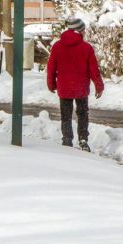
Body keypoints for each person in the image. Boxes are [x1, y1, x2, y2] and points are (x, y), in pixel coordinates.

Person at [46, 16, 104, 151]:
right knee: (83, 114)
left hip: (64, 87)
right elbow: (93, 70)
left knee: (65, 115)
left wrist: (51, 83)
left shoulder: (57, 46)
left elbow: (51, 67)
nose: (85, 32)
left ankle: (67, 140)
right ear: (79, 31)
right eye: (83, 30)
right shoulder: (86, 48)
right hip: (81, 88)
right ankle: (83, 140)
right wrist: (99, 85)